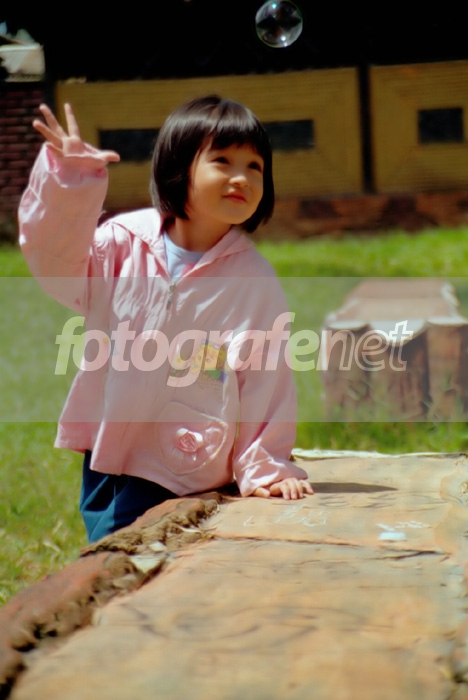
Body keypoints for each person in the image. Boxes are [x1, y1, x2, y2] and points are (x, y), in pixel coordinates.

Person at [18, 95, 313, 543]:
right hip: (109, 449)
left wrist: (265, 466)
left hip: (188, 459)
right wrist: (69, 183)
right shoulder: (122, 242)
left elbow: (266, 381)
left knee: (155, 561)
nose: (241, 177)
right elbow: (55, 262)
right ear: (179, 168)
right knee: (111, 562)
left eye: (255, 167)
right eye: (222, 161)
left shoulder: (254, 280)